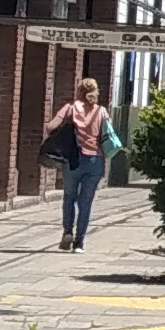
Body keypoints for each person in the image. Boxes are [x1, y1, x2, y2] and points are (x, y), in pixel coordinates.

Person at [48, 76, 112, 251]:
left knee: (69, 196)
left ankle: (67, 231)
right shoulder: (102, 112)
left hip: (73, 160)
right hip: (95, 160)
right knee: (86, 202)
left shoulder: (69, 109)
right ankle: (79, 242)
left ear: (79, 91)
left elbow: (50, 127)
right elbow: (109, 134)